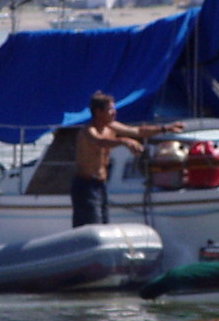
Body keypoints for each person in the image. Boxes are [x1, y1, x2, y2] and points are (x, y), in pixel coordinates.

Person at [72, 92, 184, 227]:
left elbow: (138, 131)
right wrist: (124, 141)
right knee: (91, 225)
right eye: (110, 109)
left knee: (103, 224)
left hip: (100, 185)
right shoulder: (88, 131)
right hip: (86, 186)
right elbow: (99, 141)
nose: (114, 112)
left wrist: (165, 128)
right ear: (99, 112)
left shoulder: (111, 126)